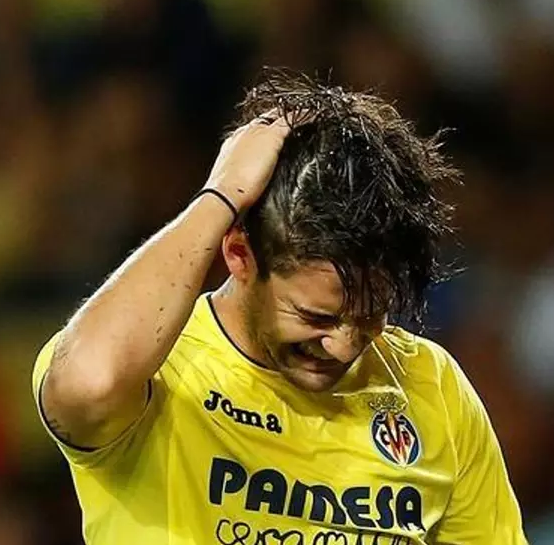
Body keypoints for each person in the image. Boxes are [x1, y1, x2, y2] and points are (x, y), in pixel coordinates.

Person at [32, 71, 527, 544]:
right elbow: (87, 385)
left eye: (371, 313)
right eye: (317, 317)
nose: (344, 345)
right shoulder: (160, 368)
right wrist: (221, 195)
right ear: (239, 254)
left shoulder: (431, 385)